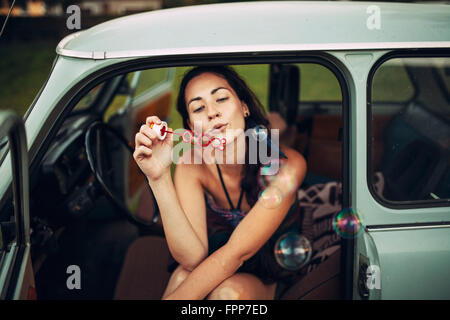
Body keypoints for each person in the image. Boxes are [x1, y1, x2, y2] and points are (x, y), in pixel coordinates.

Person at [133, 66, 307, 300]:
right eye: (198, 107)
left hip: (269, 273)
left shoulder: (288, 166)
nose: (212, 113)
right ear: (191, 127)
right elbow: (192, 257)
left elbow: (236, 254)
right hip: (216, 263)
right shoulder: (190, 164)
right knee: (182, 276)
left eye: (221, 98)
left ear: (244, 107)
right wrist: (158, 177)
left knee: (228, 294)